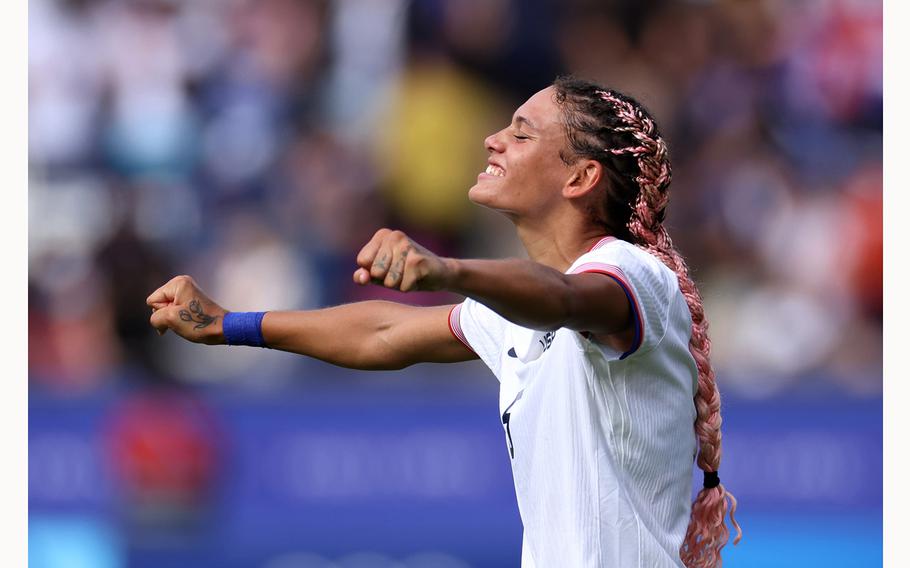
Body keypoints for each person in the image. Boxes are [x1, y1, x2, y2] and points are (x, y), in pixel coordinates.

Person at [147, 76, 741, 568]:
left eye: (520, 132)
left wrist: (446, 269)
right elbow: (384, 333)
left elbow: (563, 297)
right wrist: (231, 326)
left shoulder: (635, 274)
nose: (492, 140)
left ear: (580, 178)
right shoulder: (517, 312)